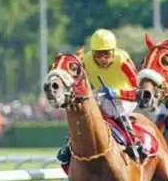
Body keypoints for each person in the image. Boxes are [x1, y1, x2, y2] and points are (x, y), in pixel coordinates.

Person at [56, 28, 146, 164]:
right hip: (101, 93)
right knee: (83, 108)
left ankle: (134, 142)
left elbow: (139, 91)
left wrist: (118, 92)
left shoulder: (122, 60)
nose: (102, 59)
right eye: (98, 55)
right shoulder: (86, 61)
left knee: (113, 104)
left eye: (107, 54)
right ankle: (69, 144)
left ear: (114, 52)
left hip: (125, 96)